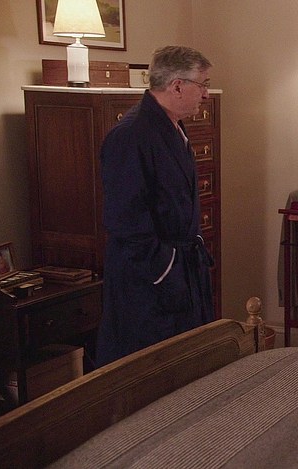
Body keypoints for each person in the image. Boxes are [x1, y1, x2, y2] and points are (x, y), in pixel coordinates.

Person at [96, 46, 215, 366]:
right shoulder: (130, 135)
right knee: (151, 370)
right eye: (202, 85)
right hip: (148, 279)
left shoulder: (173, 126)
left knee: (187, 364)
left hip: (179, 268)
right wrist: (166, 269)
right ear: (177, 86)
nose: (206, 94)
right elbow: (125, 219)